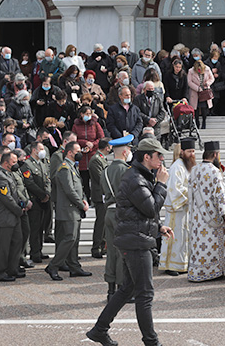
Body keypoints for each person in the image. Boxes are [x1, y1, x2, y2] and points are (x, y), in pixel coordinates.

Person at [86, 138, 173, 346]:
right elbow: (151, 207)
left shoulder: (140, 175)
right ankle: (151, 342)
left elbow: (140, 211)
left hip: (134, 238)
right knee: (145, 294)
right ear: (147, 157)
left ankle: (99, 330)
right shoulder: (135, 177)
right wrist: (161, 184)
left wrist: (158, 227)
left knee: (127, 288)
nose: (162, 159)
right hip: (135, 242)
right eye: (159, 155)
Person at [187, 141, 225, 282]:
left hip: (197, 216)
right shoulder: (214, 171)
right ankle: (214, 271)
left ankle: (198, 271)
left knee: (199, 244)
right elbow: (220, 195)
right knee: (213, 244)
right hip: (213, 216)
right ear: (215, 154)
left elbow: (190, 193)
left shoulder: (194, 170)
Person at [45, 141, 92, 280]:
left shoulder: (72, 167)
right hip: (68, 209)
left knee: (74, 239)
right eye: (78, 151)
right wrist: (81, 204)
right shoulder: (64, 168)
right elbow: (69, 190)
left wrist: (84, 200)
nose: (80, 153)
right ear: (70, 152)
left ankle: (74, 267)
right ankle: (53, 266)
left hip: (74, 209)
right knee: (70, 238)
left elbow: (79, 188)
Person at [101, 135, 134, 301]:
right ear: (125, 152)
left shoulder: (105, 171)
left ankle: (110, 290)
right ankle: (123, 290)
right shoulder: (126, 170)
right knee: (123, 252)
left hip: (109, 212)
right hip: (121, 213)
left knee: (111, 252)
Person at [159, 138, 196, 276]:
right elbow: (174, 189)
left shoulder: (188, 166)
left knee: (183, 238)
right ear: (182, 152)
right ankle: (170, 266)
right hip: (177, 209)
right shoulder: (177, 166)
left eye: (193, 151)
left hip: (185, 208)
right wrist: (192, 193)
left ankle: (182, 265)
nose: (192, 154)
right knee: (175, 237)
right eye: (189, 151)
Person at [0, 151, 25, 282]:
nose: (16, 164)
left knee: (17, 243)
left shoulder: (8, 174)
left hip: (13, 216)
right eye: (13, 162)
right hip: (5, 217)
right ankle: (0, 272)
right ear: (6, 163)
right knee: (3, 247)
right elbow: (7, 199)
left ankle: (12, 268)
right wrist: (18, 210)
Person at [21, 140, 51, 263]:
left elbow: (47, 180)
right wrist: (42, 195)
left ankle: (39, 249)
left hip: (44, 200)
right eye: (41, 149)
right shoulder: (27, 164)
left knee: (41, 228)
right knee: (35, 228)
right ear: (34, 150)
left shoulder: (42, 164)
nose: (43, 151)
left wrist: (47, 193)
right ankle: (34, 252)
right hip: (35, 200)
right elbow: (29, 183)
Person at [72, 105, 105, 201]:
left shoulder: (95, 124)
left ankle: (96, 198)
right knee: (84, 180)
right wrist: (84, 143)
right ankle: (87, 197)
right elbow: (74, 139)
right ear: (82, 114)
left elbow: (101, 138)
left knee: (95, 178)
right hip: (81, 156)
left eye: (90, 114)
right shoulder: (76, 126)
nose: (89, 115)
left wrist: (93, 144)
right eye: (87, 114)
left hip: (92, 154)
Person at [88, 138, 111, 259]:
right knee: (101, 222)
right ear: (107, 147)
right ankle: (96, 247)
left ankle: (102, 246)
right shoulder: (96, 159)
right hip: (99, 194)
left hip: (104, 195)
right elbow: (100, 178)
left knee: (104, 222)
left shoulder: (102, 158)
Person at [187, 58, 214, 128]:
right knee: (195, 108)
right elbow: (189, 82)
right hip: (195, 92)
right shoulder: (191, 71)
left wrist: (207, 83)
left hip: (205, 91)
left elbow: (212, 78)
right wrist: (197, 88)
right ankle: (197, 122)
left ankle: (204, 121)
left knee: (204, 108)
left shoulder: (207, 69)